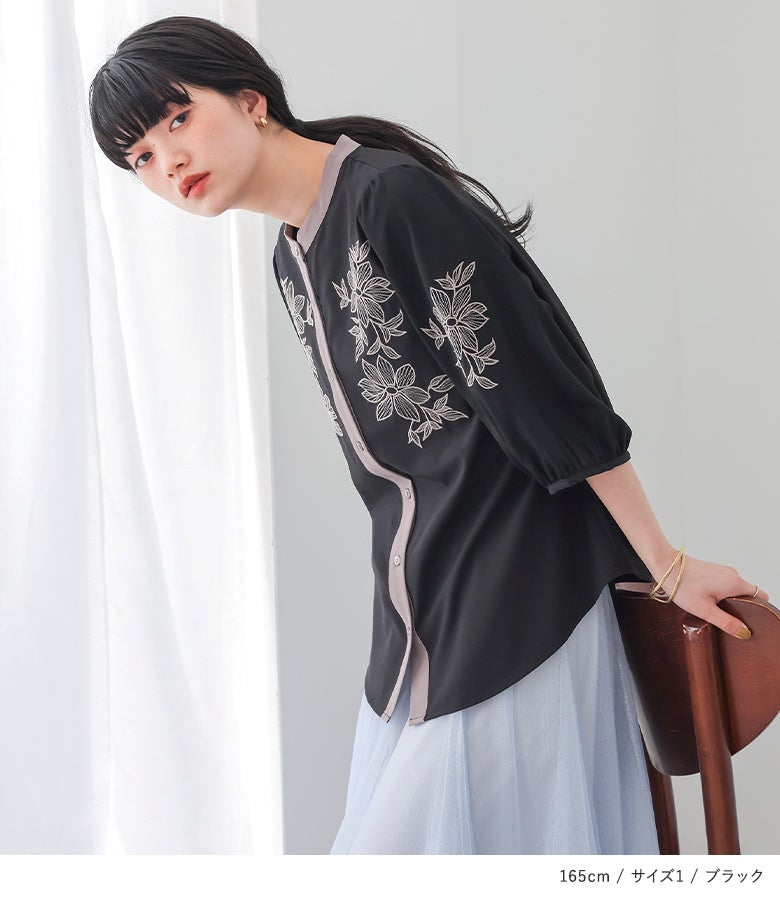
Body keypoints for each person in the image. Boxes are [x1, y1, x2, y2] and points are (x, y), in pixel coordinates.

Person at [88, 15, 767, 855]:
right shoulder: (291, 258)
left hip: (521, 590)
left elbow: (544, 391)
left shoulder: (389, 196)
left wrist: (665, 563)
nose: (167, 160)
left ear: (251, 99)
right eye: (139, 157)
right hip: (420, 612)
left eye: (177, 118)